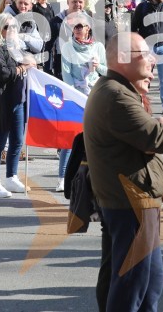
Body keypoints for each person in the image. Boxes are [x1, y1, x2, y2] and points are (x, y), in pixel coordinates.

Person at [83, 33, 163, 312]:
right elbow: (159, 139)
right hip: (129, 203)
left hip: (133, 200)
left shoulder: (118, 90)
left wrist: (159, 184)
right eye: (143, 53)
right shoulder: (116, 96)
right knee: (131, 286)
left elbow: (141, 148)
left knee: (146, 282)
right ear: (122, 58)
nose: (151, 59)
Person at [0, 14, 35, 198]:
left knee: (17, 140)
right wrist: (23, 67)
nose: (11, 30)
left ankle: (11, 177)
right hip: (1, 101)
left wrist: (30, 64)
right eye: (7, 27)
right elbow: (3, 74)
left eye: (13, 26)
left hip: (18, 98)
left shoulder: (16, 47)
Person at [60, 12, 107, 192]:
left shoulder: (98, 47)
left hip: (95, 95)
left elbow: (108, 71)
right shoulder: (67, 47)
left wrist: (98, 66)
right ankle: (63, 177)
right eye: (75, 27)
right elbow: (66, 75)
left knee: (95, 136)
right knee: (71, 138)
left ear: (88, 28)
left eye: (81, 26)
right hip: (76, 97)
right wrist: (75, 96)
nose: (78, 29)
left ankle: (95, 176)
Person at [131, 0, 163, 104]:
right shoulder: (142, 7)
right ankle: (141, 103)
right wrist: (138, 45)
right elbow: (134, 27)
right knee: (144, 76)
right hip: (147, 47)